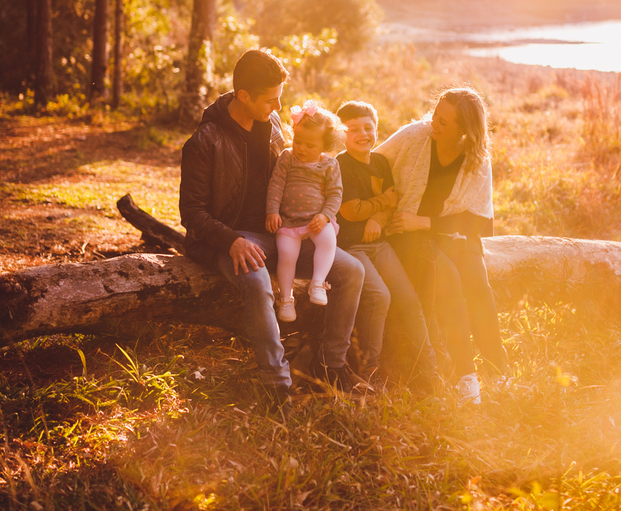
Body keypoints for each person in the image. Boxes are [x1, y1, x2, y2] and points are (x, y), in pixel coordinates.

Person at [178, 49, 368, 408]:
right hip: (231, 237)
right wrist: (231, 241)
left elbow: (294, 174)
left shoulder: (276, 127)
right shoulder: (205, 141)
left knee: (351, 271)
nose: (278, 107)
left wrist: (319, 213)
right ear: (244, 96)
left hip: (281, 232)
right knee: (258, 281)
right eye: (271, 99)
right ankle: (279, 387)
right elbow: (192, 213)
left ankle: (331, 366)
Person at [378, 87, 508, 404]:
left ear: (465, 131)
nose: (434, 124)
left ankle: (498, 368)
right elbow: (372, 163)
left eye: (444, 123)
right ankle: (467, 376)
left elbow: (478, 222)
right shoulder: (414, 136)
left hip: (445, 231)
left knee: (477, 282)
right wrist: (381, 206)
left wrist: (426, 222)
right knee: (447, 277)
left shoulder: (477, 160)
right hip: (404, 232)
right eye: (435, 115)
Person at [336, 101, 440, 390]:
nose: (363, 134)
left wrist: (378, 220)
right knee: (379, 296)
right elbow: (351, 211)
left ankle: (429, 368)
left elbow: (391, 201)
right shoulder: (340, 165)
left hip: (379, 243)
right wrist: (381, 206)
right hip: (351, 246)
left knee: (409, 299)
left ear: (376, 129)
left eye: (368, 128)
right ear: (341, 133)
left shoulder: (380, 162)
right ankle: (370, 370)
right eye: (353, 129)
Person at [266, 100, 344, 322]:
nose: (301, 148)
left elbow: (335, 194)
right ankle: (286, 299)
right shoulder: (287, 158)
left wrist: (325, 215)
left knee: (328, 240)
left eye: (310, 145)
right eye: (298, 141)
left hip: (315, 222)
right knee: (287, 256)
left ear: (324, 146)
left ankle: (318, 283)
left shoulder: (329, 165)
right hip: (288, 222)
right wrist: (272, 211)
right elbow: (276, 185)